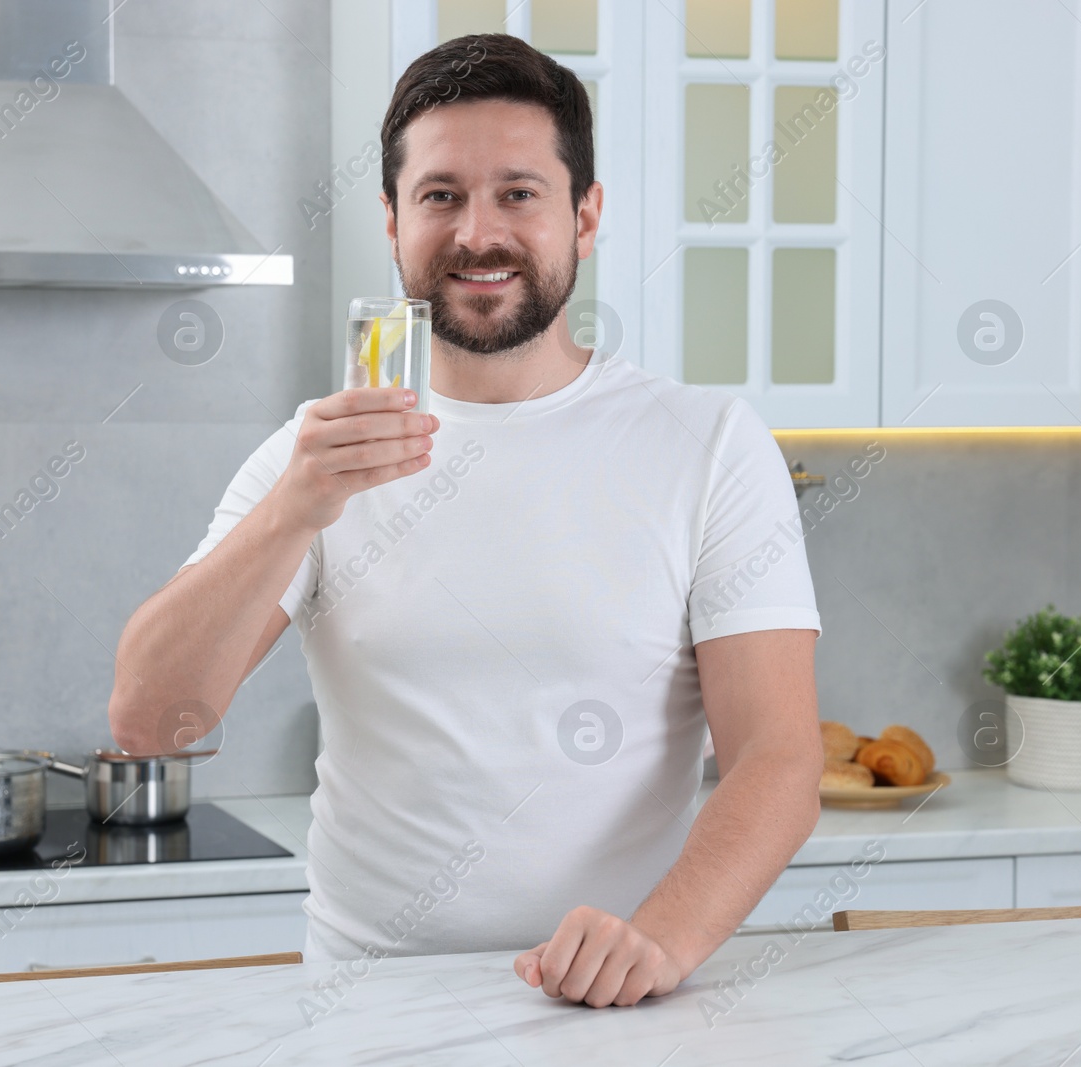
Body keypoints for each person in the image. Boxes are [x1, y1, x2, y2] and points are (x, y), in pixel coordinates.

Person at [109, 33, 823, 1010]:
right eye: (440, 194)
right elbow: (151, 721)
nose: (477, 233)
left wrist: (655, 941)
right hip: (365, 1007)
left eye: (518, 193)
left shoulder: (707, 445)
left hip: (614, 1006)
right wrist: (293, 513)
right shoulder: (314, 456)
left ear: (586, 213)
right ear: (393, 221)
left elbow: (777, 756)